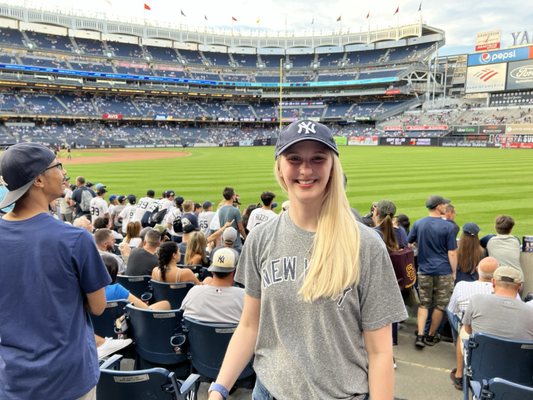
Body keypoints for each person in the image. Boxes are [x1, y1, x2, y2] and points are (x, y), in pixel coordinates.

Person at [207, 120, 406, 400]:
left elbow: (381, 351)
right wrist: (219, 388)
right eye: (294, 159)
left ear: (332, 166)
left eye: (318, 159)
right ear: (279, 167)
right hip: (268, 391)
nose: (305, 169)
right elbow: (250, 325)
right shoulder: (261, 239)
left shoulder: (367, 244)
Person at [0, 143, 111, 399]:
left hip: (13, 378)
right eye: (57, 166)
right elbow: (98, 306)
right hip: (68, 379)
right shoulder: (75, 239)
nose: (63, 172)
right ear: (38, 180)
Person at [408, 194, 458, 349]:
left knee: (424, 303)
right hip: (443, 270)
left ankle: (421, 335)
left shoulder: (419, 223)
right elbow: (452, 252)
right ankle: (430, 335)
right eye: (444, 204)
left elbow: (409, 243)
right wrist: (454, 271)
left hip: (424, 269)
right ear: (438, 206)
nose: (446, 206)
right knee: (439, 305)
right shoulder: (448, 226)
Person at [446, 256, 499, 390]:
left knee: (460, 324)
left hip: (472, 330)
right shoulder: (509, 294)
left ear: (477, 270)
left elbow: (452, 310)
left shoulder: (462, 286)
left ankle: (459, 374)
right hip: (492, 333)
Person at [463, 266, 533, 340]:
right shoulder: (530, 311)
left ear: (493, 282)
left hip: (482, 350)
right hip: (518, 351)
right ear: (519, 286)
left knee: (462, 331)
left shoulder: (476, 300)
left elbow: (468, 330)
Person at [181, 247, 244, 324]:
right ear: (235, 271)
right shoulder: (245, 297)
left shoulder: (194, 292)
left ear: (213, 271)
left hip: (198, 335)